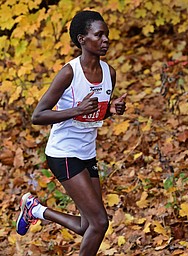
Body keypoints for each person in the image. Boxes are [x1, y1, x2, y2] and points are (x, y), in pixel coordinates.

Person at [16, 10, 126, 256]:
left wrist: (111, 110)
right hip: (63, 153)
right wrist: (76, 109)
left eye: (107, 34)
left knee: (87, 225)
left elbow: (94, 114)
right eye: (99, 35)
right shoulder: (69, 73)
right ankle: (34, 210)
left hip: (87, 153)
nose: (106, 39)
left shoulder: (110, 73)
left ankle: (35, 210)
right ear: (82, 39)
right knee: (100, 223)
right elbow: (38, 116)